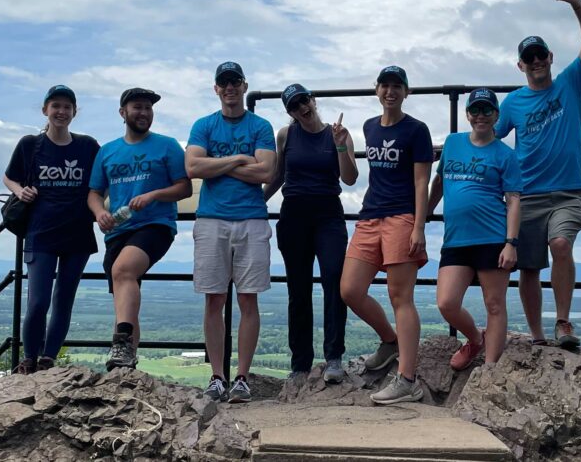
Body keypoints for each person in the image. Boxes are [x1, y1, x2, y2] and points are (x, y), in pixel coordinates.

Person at [494, 0, 581, 350]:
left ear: (551, 57)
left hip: (568, 192)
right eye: (529, 57)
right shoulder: (512, 103)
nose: (537, 61)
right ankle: (538, 336)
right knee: (528, 267)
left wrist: (577, 3)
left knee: (560, 244)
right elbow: (491, 138)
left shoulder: (570, 82)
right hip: (526, 195)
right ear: (520, 65)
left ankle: (563, 322)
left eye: (541, 54)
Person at [340, 65, 434, 405]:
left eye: (397, 86)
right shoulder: (368, 127)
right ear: (377, 90)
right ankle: (390, 340)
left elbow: (422, 181)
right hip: (370, 216)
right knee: (349, 289)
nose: (390, 91)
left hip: (401, 217)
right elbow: (352, 174)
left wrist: (419, 226)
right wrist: (339, 147)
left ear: (406, 92)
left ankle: (408, 379)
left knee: (400, 297)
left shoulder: (417, 130)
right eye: (385, 85)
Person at [185, 62, 277, 403]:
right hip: (211, 220)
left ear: (244, 85)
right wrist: (241, 159)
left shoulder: (261, 125)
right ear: (216, 88)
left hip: (251, 220)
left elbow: (266, 172)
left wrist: (218, 166)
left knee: (248, 298)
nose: (230, 88)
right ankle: (217, 376)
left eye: (235, 82)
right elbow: (193, 167)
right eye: (224, 83)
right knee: (214, 299)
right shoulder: (204, 125)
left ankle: (241, 378)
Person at [88, 88, 192, 371]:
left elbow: (184, 187)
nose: (144, 112)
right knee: (124, 299)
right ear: (123, 112)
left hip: (155, 225)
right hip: (118, 230)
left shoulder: (168, 145)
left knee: (122, 271)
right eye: (137, 107)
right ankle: (126, 362)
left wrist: (154, 195)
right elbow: (94, 192)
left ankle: (121, 345)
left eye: (148, 108)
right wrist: (100, 212)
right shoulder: (107, 151)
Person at [2, 85, 100, 374]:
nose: (61, 111)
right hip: (40, 232)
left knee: (64, 299)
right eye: (55, 105)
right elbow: (9, 178)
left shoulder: (87, 146)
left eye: (67, 107)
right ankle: (29, 358)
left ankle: (48, 359)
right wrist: (20, 192)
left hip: (78, 233)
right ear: (45, 109)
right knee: (38, 301)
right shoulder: (30, 144)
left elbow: (101, 182)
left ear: (74, 112)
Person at [264, 84, 358, 383]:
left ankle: (333, 358)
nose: (302, 108)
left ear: (313, 100)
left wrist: (341, 144)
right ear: (290, 112)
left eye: (304, 100)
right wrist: (257, 202)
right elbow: (279, 175)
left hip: (328, 214)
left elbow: (351, 177)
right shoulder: (285, 135)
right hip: (294, 214)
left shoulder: (337, 133)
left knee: (334, 282)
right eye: (294, 106)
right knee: (298, 289)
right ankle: (300, 364)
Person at [428, 88, 520, 369]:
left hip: (492, 237)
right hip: (456, 239)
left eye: (487, 110)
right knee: (446, 303)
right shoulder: (453, 143)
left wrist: (511, 242)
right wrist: (423, 216)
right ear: (467, 114)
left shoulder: (506, 155)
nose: (481, 116)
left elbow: (514, 201)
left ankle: (490, 368)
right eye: (475, 110)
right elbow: (439, 182)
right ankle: (475, 339)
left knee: (494, 304)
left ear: (496, 115)